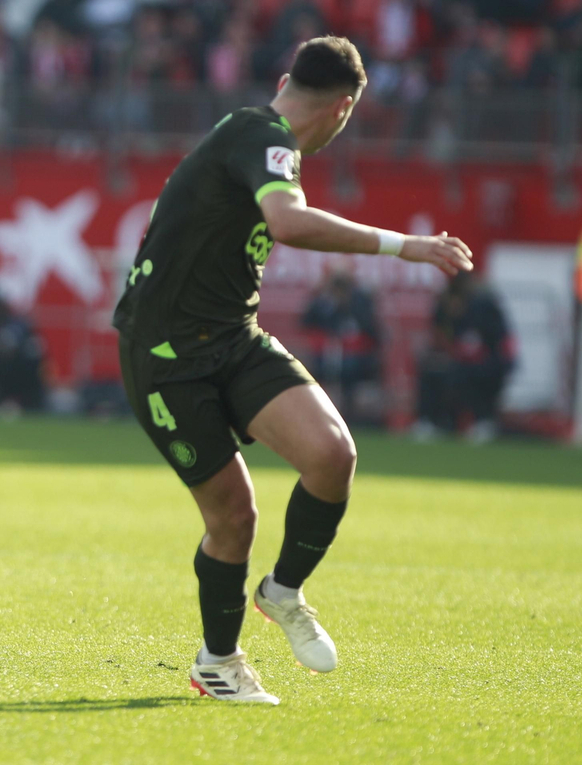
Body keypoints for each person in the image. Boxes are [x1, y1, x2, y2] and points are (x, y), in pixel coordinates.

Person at [112, 36, 472, 704]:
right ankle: (218, 663)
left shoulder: (256, 137)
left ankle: (282, 591)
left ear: (287, 78)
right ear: (344, 109)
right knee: (234, 517)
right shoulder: (262, 134)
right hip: (165, 357)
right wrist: (405, 246)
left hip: (231, 336)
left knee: (332, 454)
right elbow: (287, 221)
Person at [414, 271, 516, 443]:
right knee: (432, 369)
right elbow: (443, 339)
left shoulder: (485, 309)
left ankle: (483, 421)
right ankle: (431, 421)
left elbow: (498, 347)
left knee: (467, 375)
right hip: (459, 362)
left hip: (490, 364)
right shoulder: (446, 309)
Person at [299, 270, 382, 418]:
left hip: (356, 356)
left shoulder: (359, 304)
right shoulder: (323, 303)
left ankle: (348, 412)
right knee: (317, 368)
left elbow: (372, 332)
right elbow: (305, 323)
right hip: (326, 355)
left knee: (350, 368)